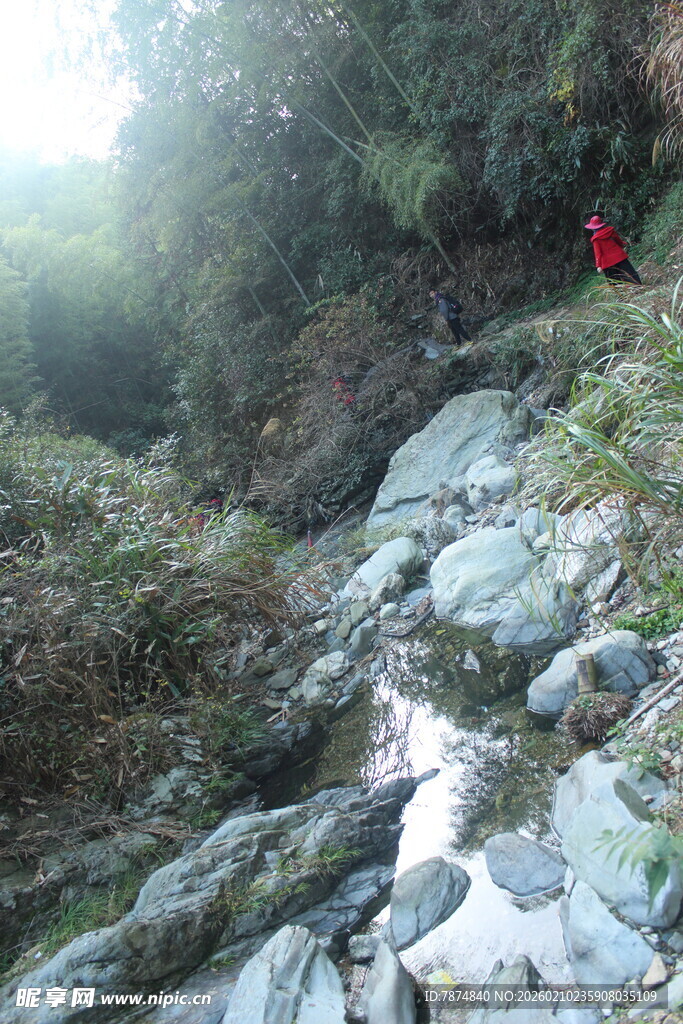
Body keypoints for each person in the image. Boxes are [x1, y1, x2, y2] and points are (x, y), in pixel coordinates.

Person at [584, 215, 642, 284]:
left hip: (607, 263)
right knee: (630, 274)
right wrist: (623, 245)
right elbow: (618, 241)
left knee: (614, 282)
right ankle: (639, 286)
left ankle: (622, 291)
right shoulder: (610, 231)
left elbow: (598, 253)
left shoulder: (595, 239)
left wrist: (598, 265)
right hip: (620, 257)